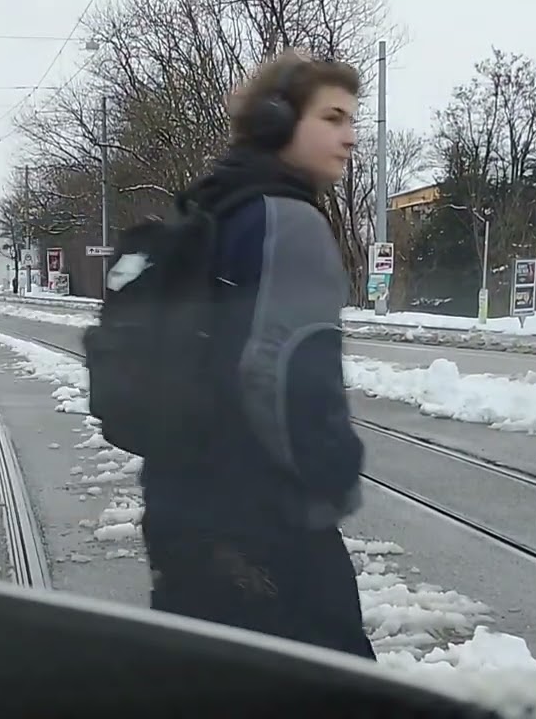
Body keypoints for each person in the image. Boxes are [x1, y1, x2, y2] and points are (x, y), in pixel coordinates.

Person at [136, 50, 374, 659]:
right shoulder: (287, 221)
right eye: (332, 117)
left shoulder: (211, 205)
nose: (349, 136)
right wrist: (334, 478)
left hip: (181, 504)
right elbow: (285, 372)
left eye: (352, 119)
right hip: (266, 523)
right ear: (276, 121)